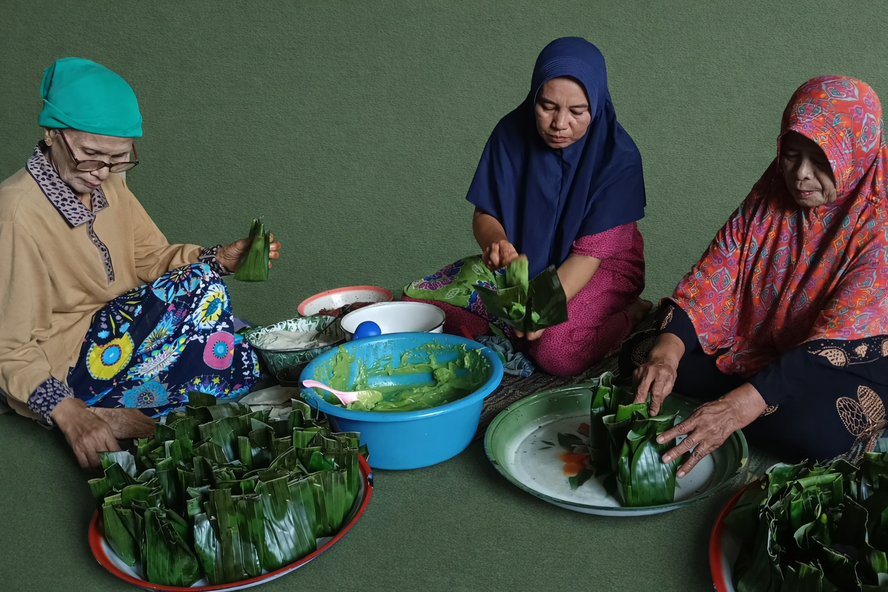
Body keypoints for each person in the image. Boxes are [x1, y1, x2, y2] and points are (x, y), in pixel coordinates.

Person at [0, 58, 281, 470]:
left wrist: (219, 259)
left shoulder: (108, 181)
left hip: (118, 325)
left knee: (213, 303)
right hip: (66, 360)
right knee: (212, 315)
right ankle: (96, 404)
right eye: (91, 155)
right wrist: (67, 413)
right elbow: (7, 346)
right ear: (51, 134)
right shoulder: (14, 214)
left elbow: (150, 258)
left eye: (118, 158)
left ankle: (142, 399)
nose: (103, 172)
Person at [623, 76, 888, 477]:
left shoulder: (880, 223)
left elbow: (833, 340)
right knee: (644, 356)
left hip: (845, 357)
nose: (800, 175)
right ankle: (754, 397)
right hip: (763, 341)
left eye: (820, 160)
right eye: (792, 154)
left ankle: (749, 401)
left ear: (853, 156)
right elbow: (716, 275)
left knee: (813, 432)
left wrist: (735, 408)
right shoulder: (774, 189)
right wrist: (666, 355)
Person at [404, 37, 651, 376]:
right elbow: (485, 213)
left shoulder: (618, 158)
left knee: (556, 352)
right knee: (417, 308)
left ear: (597, 103)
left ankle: (631, 314)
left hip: (599, 267)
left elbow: (588, 256)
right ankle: (520, 329)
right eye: (547, 106)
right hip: (523, 262)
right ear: (534, 95)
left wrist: (540, 308)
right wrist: (496, 243)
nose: (559, 123)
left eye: (578, 112)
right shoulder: (510, 133)